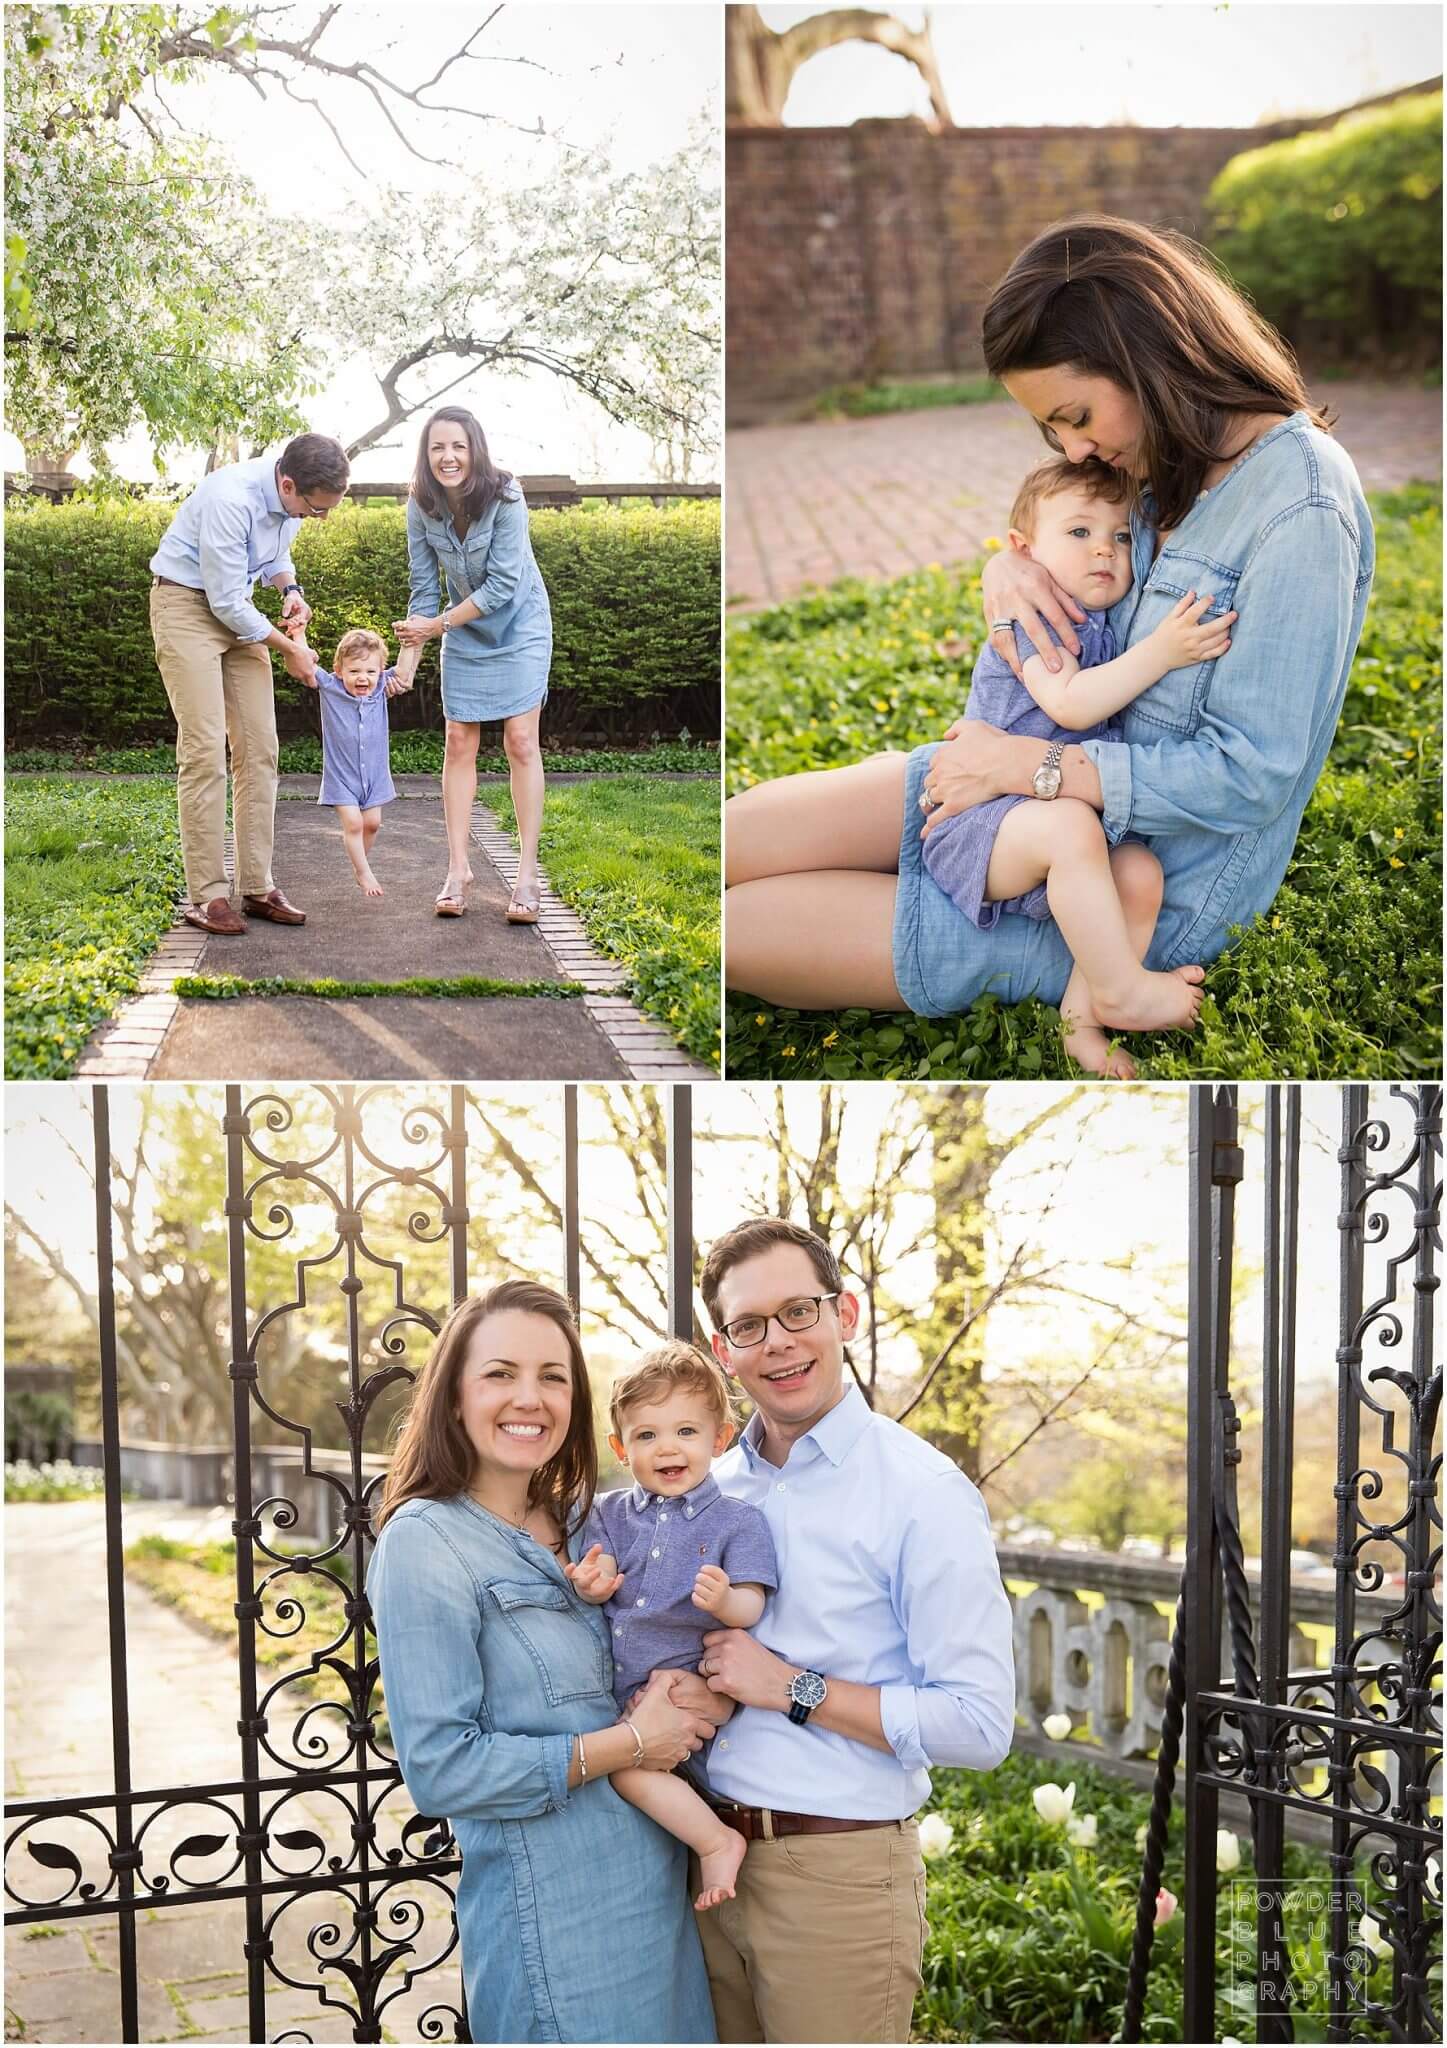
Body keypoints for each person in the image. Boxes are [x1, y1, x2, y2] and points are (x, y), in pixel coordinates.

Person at [724, 216, 1375, 1047]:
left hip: (1118, 898)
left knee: (740, 926)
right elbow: (1061, 536)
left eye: (1075, 415)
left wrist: (1034, 767)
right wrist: (1010, 567)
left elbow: (1252, 776)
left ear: (1147, 353)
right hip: (994, 800)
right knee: (733, 843)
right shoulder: (1157, 458)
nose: (1076, 447)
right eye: (1052, 431)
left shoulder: (1301, 508)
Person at [656, 1219, 1016, 2045]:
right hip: (703, 1864)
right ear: (722, 1348)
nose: (777, 1343)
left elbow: (979, 1726)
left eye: (798, 1312)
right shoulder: (707, 1482)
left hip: (838, 1882)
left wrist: (792, 1688)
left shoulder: (921, 1490)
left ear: (843, 1314)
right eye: (748, 1326)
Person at [367, 1282, 718, 2045]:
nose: (529, 1397)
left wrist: (698, 1695)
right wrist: (629, 1746)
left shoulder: (580, 1525)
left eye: (552, 1377)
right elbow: (440, 1771)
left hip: (657, 1906)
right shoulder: (426, 1540)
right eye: (500, 1373)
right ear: (453, 1396)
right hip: (554, 1929)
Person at [922, 455, 1235, 1074]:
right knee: (1070, 827)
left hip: (1058, 827)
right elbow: (1069, 701)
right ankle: (1126, 989)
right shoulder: (1031, 623)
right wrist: (1162, 653)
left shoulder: (1104, 620)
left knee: (1140, 873)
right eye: (1079, 532)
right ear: (1024, 551)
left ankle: (1083, 1022)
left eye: (1120, 536)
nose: (1104, 552)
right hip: (985, 824)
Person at [566, 1342, 778, 1913]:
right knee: (627, 1777)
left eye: (686, 1432)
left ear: (719, 1438)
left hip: (681, 1688)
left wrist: (726, 1599)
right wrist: (595, 1580)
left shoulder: (739, 1520)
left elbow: (754, 1605)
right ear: (620, 1447)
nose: (667, 1449)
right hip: (619, 1696)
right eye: (646, 1436)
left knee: (628, 1776)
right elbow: (599, 1566)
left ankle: (716, 1841)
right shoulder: (607, 1514)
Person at [149, 433, 349, 935]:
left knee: (260, 748)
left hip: (235, 611)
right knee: (203, 749)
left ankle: (257, 886)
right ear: (288, 484)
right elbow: (225, 603)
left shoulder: (290, 500)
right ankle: (207, 895)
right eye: (313, 509)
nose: (316, 518)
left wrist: (291, 590)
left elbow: (276, 557)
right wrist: (293, 651)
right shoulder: (229, 498)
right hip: (187, 607)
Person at [393, 408, 553, 924]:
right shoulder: (421, 505)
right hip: (462, 629)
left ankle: (526, 874)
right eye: (438, 447)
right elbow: (423, 589)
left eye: (458, 446)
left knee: (520, 741)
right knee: (459, 741)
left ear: (474, 450)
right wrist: (405, 667)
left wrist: (437, 627)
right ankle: (458, 869)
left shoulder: (507, 496)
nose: (448, 457)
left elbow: (504, 585)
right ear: (427, 454)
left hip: (519, 626)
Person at [310, 628, 418, 897]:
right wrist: (298, 632)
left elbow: (403, 673)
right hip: (341, 776)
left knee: (371, 824)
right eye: (355, 671)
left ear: (380, 671)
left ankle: (360, 863)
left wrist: (409, 641)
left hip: (375, 775)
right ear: (339, 670)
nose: (363, 678)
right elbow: (306, 666)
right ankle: (363, 871)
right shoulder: (330, 687)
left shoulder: (382, 687)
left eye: (370, 672)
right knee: (354, 824)